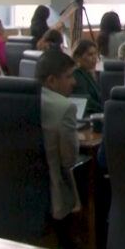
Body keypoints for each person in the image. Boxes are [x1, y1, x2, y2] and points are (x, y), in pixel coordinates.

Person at [33, 49, 82, 235]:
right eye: (69, 77)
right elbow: (69, 159)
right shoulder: (65, 107)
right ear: (51, 81)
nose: (74, 82)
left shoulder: (14, 99)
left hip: (11, 195)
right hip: (52, 198)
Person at [70, 39, 103, 116]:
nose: (94, 58)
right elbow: (86, 100)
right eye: (90, 54)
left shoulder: (88, 73)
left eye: (95, 54)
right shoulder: (77, 75)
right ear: (78, 57)